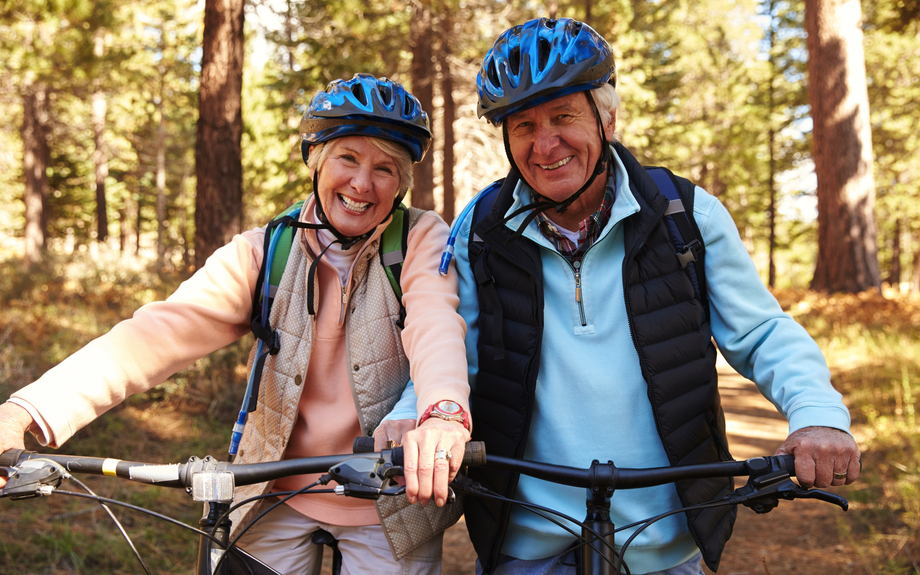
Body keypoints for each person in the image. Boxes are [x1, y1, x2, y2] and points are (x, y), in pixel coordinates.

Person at [0, 74, 471, 574]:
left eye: (384, 168)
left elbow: (436, 326)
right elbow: (154, 334)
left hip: (389, 499)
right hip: (275, 490)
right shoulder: (266, 250)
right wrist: (25, 412)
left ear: (401, 183)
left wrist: (442, 414)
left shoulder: (419, 238)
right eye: (347, 159)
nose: (362, 183)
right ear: (316, 162)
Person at [449, 18, 861, 575]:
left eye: (564, 117)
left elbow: (762, 332)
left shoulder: (684, 216)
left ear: (608, 119)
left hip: (662, 538)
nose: (545, 145)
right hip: (524, 538)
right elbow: (448, 351)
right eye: (523, 126)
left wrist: (816, 416)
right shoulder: (481, 228)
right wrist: (421, 418)